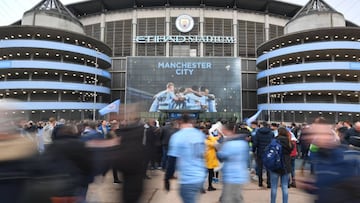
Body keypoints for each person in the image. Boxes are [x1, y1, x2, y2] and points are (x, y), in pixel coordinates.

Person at [165, 114, 206, 203]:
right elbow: (203, 156)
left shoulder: (177, 136)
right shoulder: (200, 134)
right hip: (200, 177)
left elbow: (172, 161)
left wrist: (167, 179)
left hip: (188, 178)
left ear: (180, 122)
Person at [216, 122, 249, 203]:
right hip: (240, 175)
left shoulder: (229, 144)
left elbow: (221, 156)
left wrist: (218, 149)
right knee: (237, 198)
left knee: (229, 199)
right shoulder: (243, 143)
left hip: (231, 176)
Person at [269, 127, 293, 203]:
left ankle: (273, 201)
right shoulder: (289, 142)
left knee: (274, 187)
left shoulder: (274, 141)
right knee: (285, 186)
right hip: (286, 165)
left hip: (275, 165)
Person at [252, 121, 274, 188]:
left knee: (260, 167)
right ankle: (269, 183)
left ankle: (260, 182)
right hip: (268, 152)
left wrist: (254, 150)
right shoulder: (271, 133)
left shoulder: (258, 133)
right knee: (268, 168)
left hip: (260, 151)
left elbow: (255, 143)